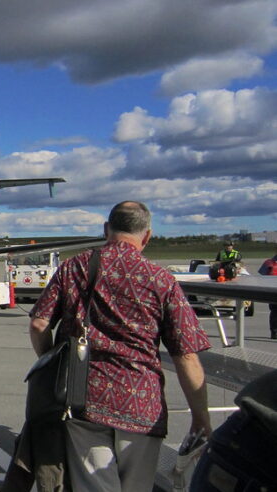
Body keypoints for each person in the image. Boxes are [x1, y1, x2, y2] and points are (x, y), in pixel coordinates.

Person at [28, 201, 212, 490]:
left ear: (106, 229)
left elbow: (39, 324)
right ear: (147, 236)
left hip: (85, 397)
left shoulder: (73, 267)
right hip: (142, 404)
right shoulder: (161, 279)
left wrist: (54, 364)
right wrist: (201, 418)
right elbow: (186, 354)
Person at [258, 252, 277, 340]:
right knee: (275, 311)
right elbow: (262, 276)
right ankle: (274, 332)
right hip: (273, 291)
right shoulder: (269, 263)